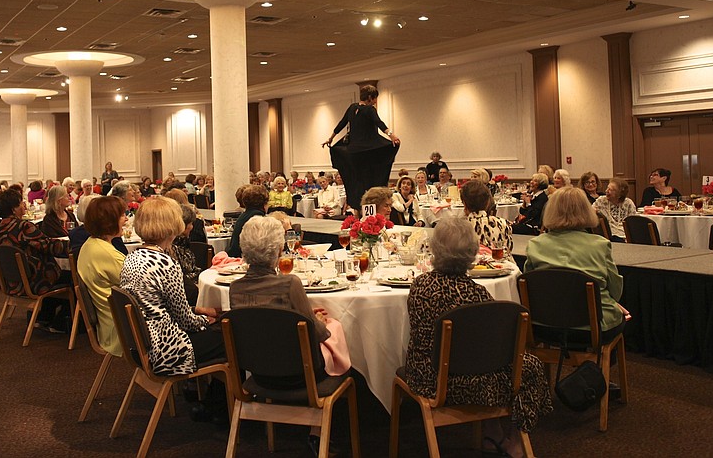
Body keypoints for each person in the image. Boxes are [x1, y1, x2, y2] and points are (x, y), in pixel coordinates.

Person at [405, 216, 552, 455]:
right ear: (473, 253)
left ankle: (492, 432)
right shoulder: (479, 294)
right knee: (529, 364)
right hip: (479, 381)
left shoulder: (420, 287)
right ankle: (515, 441)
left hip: (431, 379)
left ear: (435, 250)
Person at [229, 216, 348, 455]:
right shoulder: (290, 284)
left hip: (259, 373)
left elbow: (264, 321)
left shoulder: (235, 288)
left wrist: (300, 316)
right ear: (279, 249)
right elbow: (318, 333)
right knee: (336, 333)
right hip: (300, 377)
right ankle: (318, 433)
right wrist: (318, 320)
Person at [119, 196, 223, 376]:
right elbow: (186, 321)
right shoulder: (166, 263)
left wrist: (199, 310)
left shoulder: (132, 257)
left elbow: (159, 305)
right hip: (168, 350)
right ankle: (221, 400)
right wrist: (208, 320)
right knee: (230, 335)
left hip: (141, 345)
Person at [524, 186, 627, 343]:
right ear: (586, 210)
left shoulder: (535, 245)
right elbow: (615, 291)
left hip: (545, 324)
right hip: (594, 326)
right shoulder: (600, 245)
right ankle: (596, 365)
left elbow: (529, 287)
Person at [0, 188, 70, 328]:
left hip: (13, 281)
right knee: (74, 278)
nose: (24, 205)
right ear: (13, 209)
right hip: (33, 281)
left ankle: (43, 317)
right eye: (20, 203)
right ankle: (62, 323)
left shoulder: (0, 227)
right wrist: (75, 245)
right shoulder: (23, 227)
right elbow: (48, 245)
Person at [323, 84, 400, 213]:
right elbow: (379, 123)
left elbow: (341, 124)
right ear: (370, 97)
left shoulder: (352, 108)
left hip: (353, 153)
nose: (375, 101)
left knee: (356, 183)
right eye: (375, 98)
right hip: (367, 153)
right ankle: (371, 209)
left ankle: (357, 210)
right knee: (373, 178)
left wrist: (331, 138)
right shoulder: (370, 110)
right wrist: (391, 135)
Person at [77, 195, 128, 357]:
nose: (126, 219)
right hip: (124, 328)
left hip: (109, 323)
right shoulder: (107, 254)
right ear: (109, 220)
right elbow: (144, 284)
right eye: (122, 215)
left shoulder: (89, 245)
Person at [461, 179, 513, 256]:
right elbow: (508, 250)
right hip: (502, 265)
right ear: (488, 202)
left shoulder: (459, 228)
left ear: (464, 204)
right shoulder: (503, 224)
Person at [171, 204, 203, 305]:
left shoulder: (182, 242)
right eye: (190, 224)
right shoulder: (175, 248)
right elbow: (185, 276)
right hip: (188, 296)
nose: (192, 227)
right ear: (183, 225)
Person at [226, 185, 268, 257]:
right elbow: (260, 246)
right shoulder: (257, 217)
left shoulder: (244, 215)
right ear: (264, 203)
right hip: (242, 259)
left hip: (235, 255)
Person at [593, 177, 636, 242]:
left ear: (619, 194)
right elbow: (589, 212)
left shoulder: (628, 203)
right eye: (607, 188)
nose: (606, 191)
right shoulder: (601, 201)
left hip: (625, 236)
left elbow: (633, 223)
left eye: (611, 190)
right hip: (606, 236)